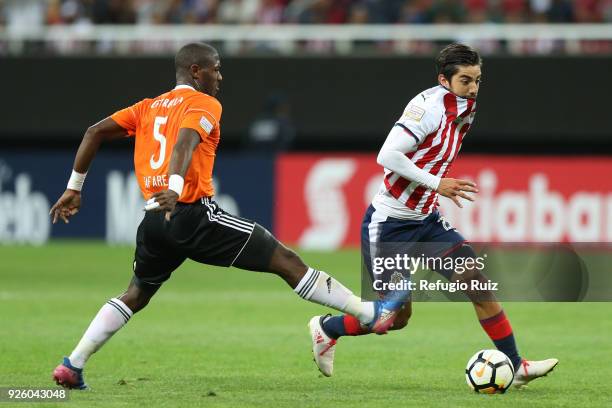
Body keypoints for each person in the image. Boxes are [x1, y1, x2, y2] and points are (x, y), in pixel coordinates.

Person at [49, 42, 392, 390]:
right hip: (190, 214)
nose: (220, 76)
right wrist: (175, 185)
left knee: (136, 293)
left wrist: (74, 187)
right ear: (196, 71)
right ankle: (368, 313)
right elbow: (185, 141)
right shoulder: (204, 103)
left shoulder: (148, 107)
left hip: (154, 219)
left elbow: (94, 132)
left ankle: (73, 365)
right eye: (216, 68)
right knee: (286, 261)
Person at [308, 43, 559, 386]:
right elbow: (388, 155)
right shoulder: (426, 108)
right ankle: (327, 328)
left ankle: (516, 366)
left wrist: (433, 190)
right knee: (394, 318)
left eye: (478, 80)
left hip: (426, 222)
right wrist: (437, 183)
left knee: (478, 284)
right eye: (465, 80)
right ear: (444, 80)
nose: (473, 87)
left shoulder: (467, 107)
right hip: (390, 227)